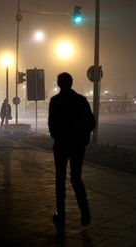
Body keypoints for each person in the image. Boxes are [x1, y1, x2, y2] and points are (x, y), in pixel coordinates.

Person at [48, 72, 96, 228]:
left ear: (58, 84)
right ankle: (85, 212)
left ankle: (61, 216)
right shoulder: (81, 100)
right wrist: (82, 135)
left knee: (60, 180)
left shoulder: (55, 101)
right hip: (78, 146)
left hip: (61, 145)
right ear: (71, 83)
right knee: (76, 178)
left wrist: (59, 136)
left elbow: (52, 125)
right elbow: (92, 122)